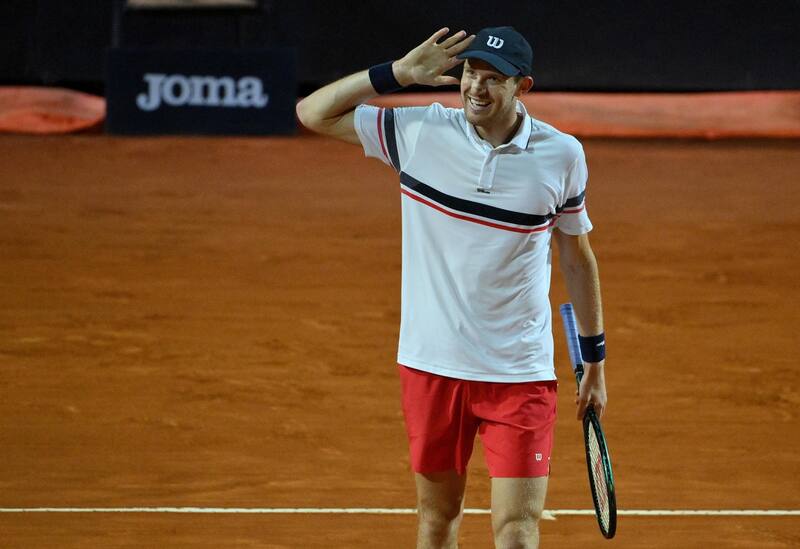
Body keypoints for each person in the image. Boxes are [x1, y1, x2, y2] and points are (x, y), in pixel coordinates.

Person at [296, 26, 607, 549]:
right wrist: (395, 74)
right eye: (469, 73)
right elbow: (312, 113)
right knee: (437, 522)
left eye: (493, 79)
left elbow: (576, 255)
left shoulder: (562, 155)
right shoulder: (422, 132)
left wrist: (595, 361)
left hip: (518, 371)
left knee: (515, 529)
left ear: (522, 86)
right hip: (431, 365)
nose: (476, 89)